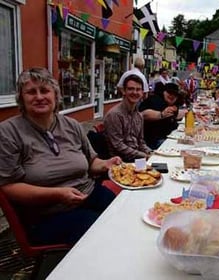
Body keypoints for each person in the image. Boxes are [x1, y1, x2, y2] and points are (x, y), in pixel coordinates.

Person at [0, 68, 122, 246]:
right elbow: (9, 186)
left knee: (124, 213)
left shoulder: (71, 125)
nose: (39, 96)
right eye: (31, 92)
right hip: (46, 214)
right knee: (99, 230)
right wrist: (57, 194)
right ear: (21, 98)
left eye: (45, 90)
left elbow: (91, 162)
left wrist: (106, 164)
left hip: (88, 194)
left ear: (55, 96)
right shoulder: (9, 132)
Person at [104, 74, 152, 162]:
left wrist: (150, 152)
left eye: (138, 89)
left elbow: (141, 142)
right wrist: (144, 155)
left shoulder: (139, 116)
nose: (135, 92)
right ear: (124, 91)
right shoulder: (115, 115)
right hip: (121, 163)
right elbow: (118, 146)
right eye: (131, 89)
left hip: (137, 160)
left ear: (142, 93)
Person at [139, 82, 186, 149]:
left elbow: (177, 114)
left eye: (175, 95)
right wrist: (161, 114)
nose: (172, 96)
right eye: (169, 93)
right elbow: (143, 114)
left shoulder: (170, 104)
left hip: (166, 137)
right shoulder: (155, 100)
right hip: (153, 141)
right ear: (163, 92)